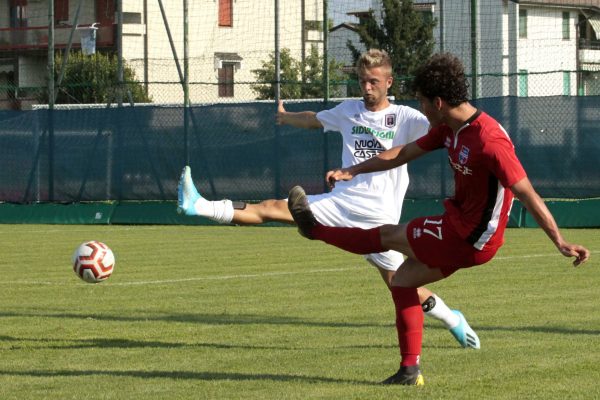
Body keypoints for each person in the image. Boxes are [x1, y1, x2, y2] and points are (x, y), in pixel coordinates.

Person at [286, 52, 591, 386]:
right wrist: (352, 170)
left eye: (423, 103)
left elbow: (528, 193)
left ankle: (315, 230)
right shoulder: (449, 128)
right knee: (402, 281)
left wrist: (559, 241)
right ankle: (409, 371)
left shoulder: (489, 140)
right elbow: (402, 153)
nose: (421, 110)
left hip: (469, 235)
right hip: (462, 228)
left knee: (386, 236)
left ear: (440, 102)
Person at [177, 49, 480, 351]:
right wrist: (286, 117)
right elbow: (314, 120)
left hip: (378, 218)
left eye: (373, 81)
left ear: (389, 82)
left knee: (401, 283)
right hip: (340, 203)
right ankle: (198, 205)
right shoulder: (348, 110)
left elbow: (446, 126)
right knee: (271, 208)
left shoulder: (407, 118)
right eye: (362, 81)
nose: (366, 88)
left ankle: (452, 319)